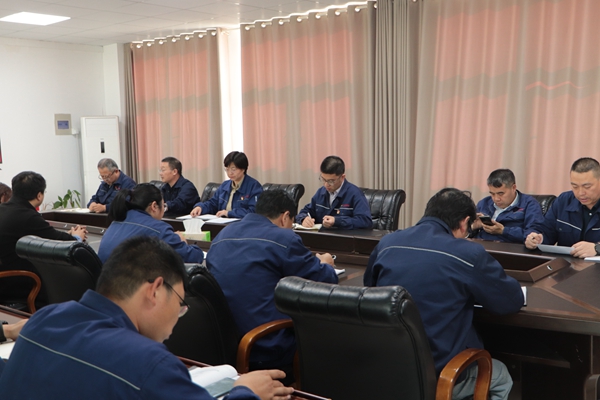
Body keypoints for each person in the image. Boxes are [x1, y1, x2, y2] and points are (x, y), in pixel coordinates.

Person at [0, 236, 294, 399]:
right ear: (155, 290)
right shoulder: (148, 362)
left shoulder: (43, 319)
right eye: (180, 303)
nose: (178, 316)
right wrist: (245, 392)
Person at [364, 188, 524, 400]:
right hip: (440, 375)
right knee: (502, 376)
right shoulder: (467, 253)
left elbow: (370, 289)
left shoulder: (387, 243)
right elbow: (511, 301)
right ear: (464, 223)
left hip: (386, 367)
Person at [207, 190, 337, 376]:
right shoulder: (284, 239)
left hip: (225, 345)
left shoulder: (223, 234)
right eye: (292, 223)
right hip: (266, 345)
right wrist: (326, 264)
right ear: (285, 217)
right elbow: (322, 280)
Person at [0, 171, 87, 302]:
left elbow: (46, 234)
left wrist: (68, 233)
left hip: (4, 277)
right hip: (17, 281)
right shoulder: (27, 216)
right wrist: (76, 237)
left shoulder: (5, 209)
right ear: (39, 195)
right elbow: (63, 243)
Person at [98, 183, 204, 264]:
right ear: (154, 206)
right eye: (163, 206)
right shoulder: (158, 229)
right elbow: (194, 257)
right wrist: (182, 242)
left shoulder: (116, 222)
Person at [526, 157, 600, 258]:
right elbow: (546, 230)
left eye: (587, 187)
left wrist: (597, 248)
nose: (580, 193)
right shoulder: (564, 201)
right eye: (575, 186)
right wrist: (536, 238)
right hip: (566, 264)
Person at [296, 155, 372, 230]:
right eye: (323, 179)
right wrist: (303, 219)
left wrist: (337, 221)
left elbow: (365, 221)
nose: (326, 184)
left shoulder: (355, 194)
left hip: (344, 237)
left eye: (331, 181)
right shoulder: (321, 192)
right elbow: (305, 211)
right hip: (322, 236)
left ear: (342, 177)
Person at [471, 169, 544, 243]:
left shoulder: (529, 204)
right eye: (492, 194)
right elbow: (467, 235)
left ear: (513, 188)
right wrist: (472, 227)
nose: (496, 199)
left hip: (508, 247)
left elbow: (533, 236)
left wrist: (504, 231)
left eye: (501, 193)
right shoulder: (484, 203)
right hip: (479, 245)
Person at [190, 151, 262, 218]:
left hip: (242, 224)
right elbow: (212, 203)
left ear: (243, 169)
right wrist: (200, 207)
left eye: (233, 169)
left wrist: (229, 213)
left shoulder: (254, 186)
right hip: (222, 224)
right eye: (227, 169)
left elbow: (253, 212)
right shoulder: (225, 186)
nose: (230, 173)